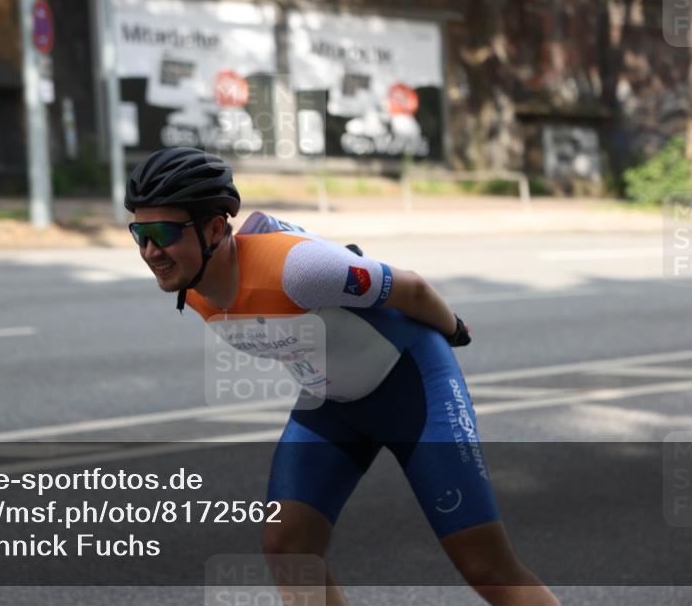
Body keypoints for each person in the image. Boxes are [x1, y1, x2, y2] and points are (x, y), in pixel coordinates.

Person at [126, 147, 560, 606]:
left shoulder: (298, 269)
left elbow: (410, 287)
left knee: (487, 569)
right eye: (140, 233)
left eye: (164, 233)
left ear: (215, 228)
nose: (151, 251)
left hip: (413, 387)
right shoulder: (192, 289)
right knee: (288, 548)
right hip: (331, 403)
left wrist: (453, 329)